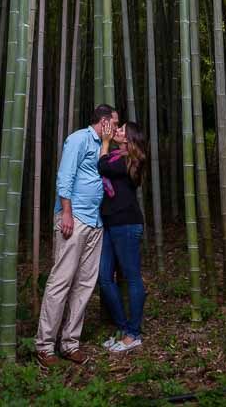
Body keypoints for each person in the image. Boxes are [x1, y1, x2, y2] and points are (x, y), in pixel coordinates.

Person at [35, 104, 119, 368]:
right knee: (61, 281)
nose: (117, 128)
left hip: (95, 221)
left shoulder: (105, 146)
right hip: (75, 219)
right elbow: (65, 177)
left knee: (85, 284)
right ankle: (45, 346)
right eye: (115, 123)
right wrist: (67, 213)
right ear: (104, 122)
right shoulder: (78, 139)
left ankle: (70, 343)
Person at [98, 120, 147, 352]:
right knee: (104, 278)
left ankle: (134, 334)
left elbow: (102, 166)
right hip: (110, 224)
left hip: (126, 225)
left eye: (121, 130)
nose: (116, 131)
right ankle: (124, 328)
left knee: (132, 278)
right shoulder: (118, 156)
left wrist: (105, 142)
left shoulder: (130, 160)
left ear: (129, 138)